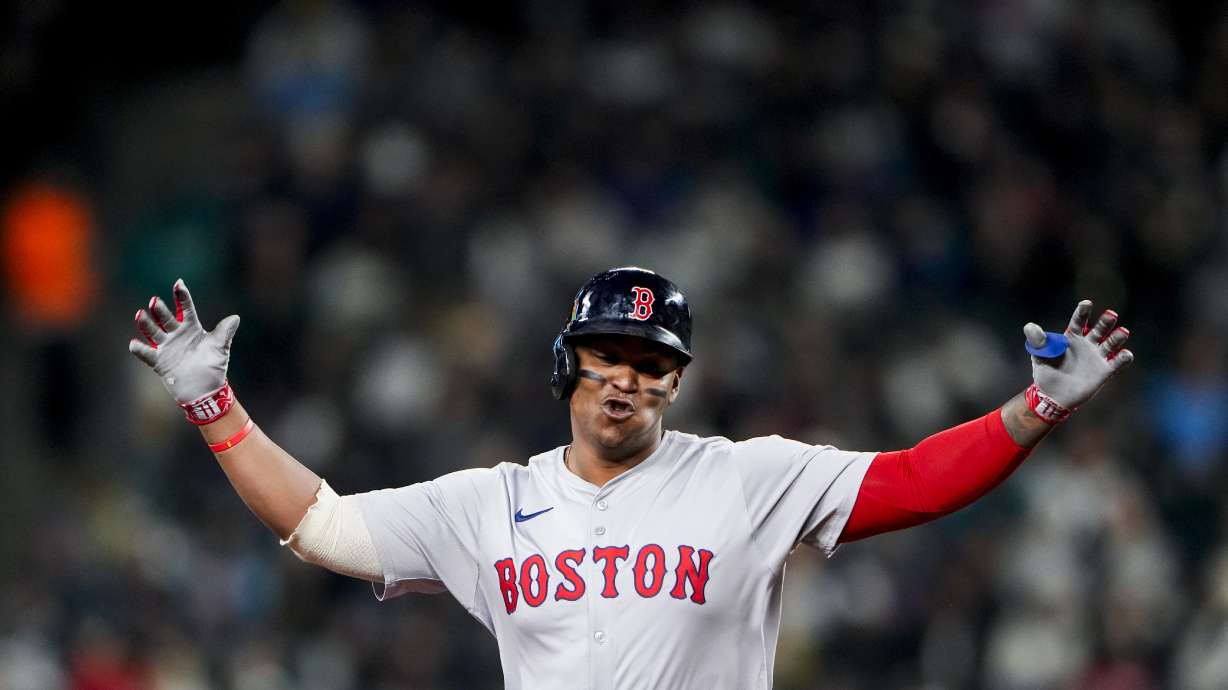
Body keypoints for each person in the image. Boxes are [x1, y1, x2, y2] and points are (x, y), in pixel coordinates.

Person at [128, 266, 1133, 689]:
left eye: (651, 363)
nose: (626, 380)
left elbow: (914, 483)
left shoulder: (749, 479)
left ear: (677, 383)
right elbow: (323, 526)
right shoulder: (488, 502)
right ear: (568, 363)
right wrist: (213, 407)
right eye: (608, 355)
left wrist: (1033, 409)